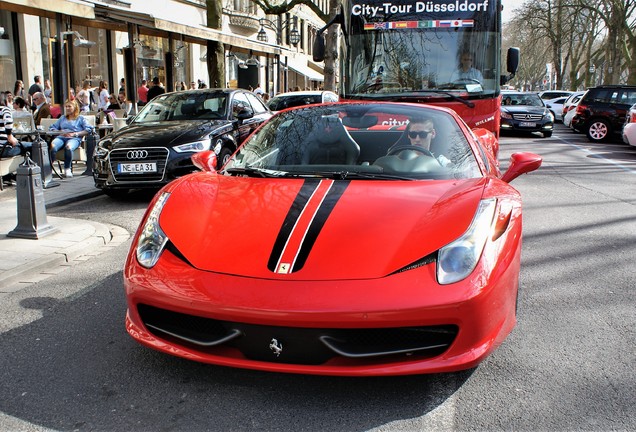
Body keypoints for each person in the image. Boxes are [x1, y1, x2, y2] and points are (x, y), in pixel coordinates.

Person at [48, 99, 94, 178]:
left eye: (69, 106)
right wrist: (60, 131)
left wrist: (75, 134)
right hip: (61, 136)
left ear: (75, 107)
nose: (67, 108)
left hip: (74, 138)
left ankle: (67, 169)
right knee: (52, 145)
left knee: (68, 147)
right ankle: (48, 169)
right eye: (66, 106)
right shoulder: (62, 118)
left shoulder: (80, 118)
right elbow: (52, 128)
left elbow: (88, 130)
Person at [387, 117, 451, 167]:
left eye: (423, 134)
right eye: (413, 134)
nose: (417, 139)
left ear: (433, 134)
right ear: (408, 135)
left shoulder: (441, 162)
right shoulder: (398, 161)